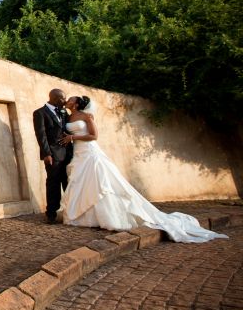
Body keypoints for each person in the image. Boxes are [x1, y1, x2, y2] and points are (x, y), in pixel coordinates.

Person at [59, 95, 227, 242]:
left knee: (100, 182)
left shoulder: (87, 116)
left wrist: (72, 137)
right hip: (78, 153)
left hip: (90, 152)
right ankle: (83, 216)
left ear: (77, 103)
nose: (67, 100)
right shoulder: (67, 116)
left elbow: (94, 136)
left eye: (71, 99)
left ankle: (106, 217)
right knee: (81, 181)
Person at [32, 89, 73, 224]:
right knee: (53, 183)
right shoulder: (40, 113)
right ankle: (51, 213)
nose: (65, 101)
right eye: (63, 99)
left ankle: (71, 211)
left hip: (68, 154)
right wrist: (46, 154)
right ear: (55, 98)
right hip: (53, 155)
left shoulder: (63, 112)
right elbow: (41, 135)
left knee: (69, 182)